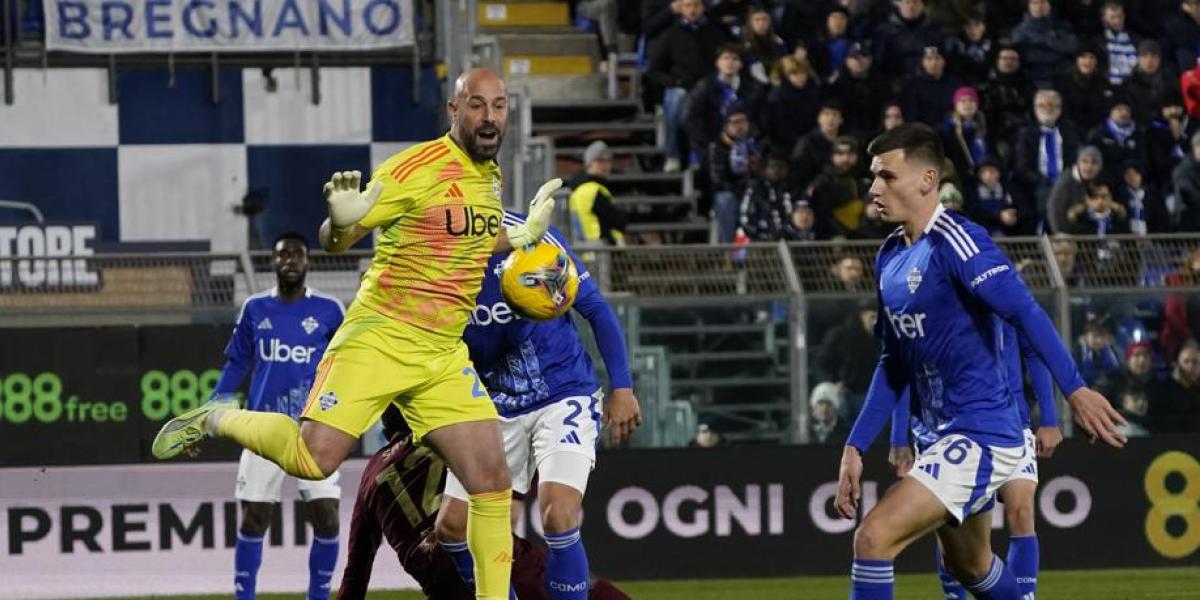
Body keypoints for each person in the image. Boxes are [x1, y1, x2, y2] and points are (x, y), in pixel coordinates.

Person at [153, 68, 563, 600]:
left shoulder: (488, 177)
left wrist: (517, 237)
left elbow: (462, 244)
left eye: (500, 106)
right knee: (313, 459)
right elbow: (339, 237)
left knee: (491, 481)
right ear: (453, 110)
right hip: (381, 336)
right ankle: (214, 418)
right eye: (477, 105)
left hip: (440, 352)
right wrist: (338, 221)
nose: (490, 118)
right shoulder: (414, 168)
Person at [834, 123, 1125, 600]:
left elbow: (1025, 311)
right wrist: (855, 446)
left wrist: (1074, 388)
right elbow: (893, 362)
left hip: (982, 432)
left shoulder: (958, 241)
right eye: (873, 177)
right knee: (970, 565)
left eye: (886, 176)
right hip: (941, 434)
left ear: (927, 179)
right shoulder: (889, 257)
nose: (874, 188)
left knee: (873, 538)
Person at [438, 214, 641, 600]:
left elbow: (595, 308)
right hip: (492, 404)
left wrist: (623, 387)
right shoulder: (434, 260)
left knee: (558, 514)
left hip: (562, 393)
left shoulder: (533, 236)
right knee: (451, 527)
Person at [338, 407, 632, 600]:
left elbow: (356, 570)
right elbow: (510, 477)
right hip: (496, 562)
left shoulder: (369, 476)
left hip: (443, 588)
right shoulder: (453, 439)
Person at [206, 233, 346, 600]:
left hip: (312, 430)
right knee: (254, 518)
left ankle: (318, 596)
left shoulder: (331, 310)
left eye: (297, 254)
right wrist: (211, 411)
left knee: (328, 516)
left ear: (308, 262)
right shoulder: (254, 308)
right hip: (262, 427)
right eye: (282, 254)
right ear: (273, 262)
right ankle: (244, 596)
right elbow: (237, 364)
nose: (289, 260)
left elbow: (346, 366)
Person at [890, 326, 1063, 600]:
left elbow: (1034, 353)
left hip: (1013, 423)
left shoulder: (1004, 294)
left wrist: (1050, 419)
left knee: (1022, 510)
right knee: (953, 526)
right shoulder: (938, 304)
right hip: (951, 428)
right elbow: (901, 368)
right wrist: (898, 438)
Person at [645, 0, 730, 172]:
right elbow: (654, 70)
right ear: (680, 8)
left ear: (703, 7)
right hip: (681, 85)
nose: (692, 10)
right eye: (688, 5)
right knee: (677, 100)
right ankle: (673, 155)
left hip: (708, 85)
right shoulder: (670, 34)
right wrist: (675, 82)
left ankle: (701, 157)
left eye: (696, 5)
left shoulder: (714, 32)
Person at [686, 44, 766, 164]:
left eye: (734, 59)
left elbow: (760, 119)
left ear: (741, 64)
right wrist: (708, 144)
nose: (730, 62)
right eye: (725, 58)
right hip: (711, 143)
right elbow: (692, 118)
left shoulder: (753, 88)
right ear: (717, 63)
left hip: (746, 142)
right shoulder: (704, 86)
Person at [709, 106, 760, 243]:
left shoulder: (757, 143)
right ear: (726, 126)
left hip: (755, 189)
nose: (740, 126)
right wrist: (742, 187)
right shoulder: (717, 146)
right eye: (735, 122)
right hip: (731, 191)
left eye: (742, 121)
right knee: (725, 200)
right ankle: (729, 252)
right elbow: (718, 179)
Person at [568, 141, 626, 246]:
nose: (607, 166)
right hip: (600, 250)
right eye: (601, 162)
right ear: (590, 164)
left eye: (608, 162)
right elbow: (617, 220)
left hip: (586, 250)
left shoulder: (576, 188)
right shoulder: (593, 190)